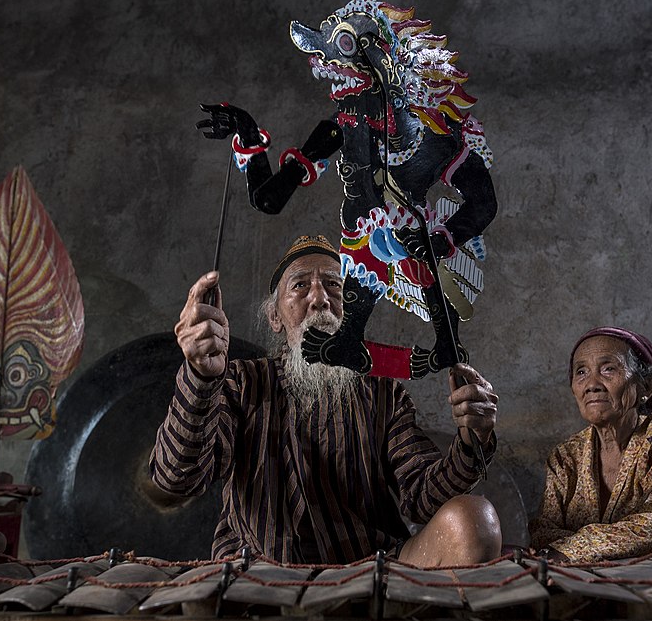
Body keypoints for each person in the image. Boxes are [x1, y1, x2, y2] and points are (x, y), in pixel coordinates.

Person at [150, 235, 502, 566]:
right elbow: (176, 478)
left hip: (373, 572)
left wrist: (473, 439)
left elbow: (424, 499)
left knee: (475, 521)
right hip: (261, 575)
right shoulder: (240, 382)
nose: (319, 298)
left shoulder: (384, 394)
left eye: (334, 285)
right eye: (300, 285)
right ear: (275, 317)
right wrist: (201, 376)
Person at [529, 326, 652, 563]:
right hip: (588, 581)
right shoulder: (565, 456)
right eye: (581, 372)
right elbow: (543, 530)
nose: (592, 384)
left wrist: (572, 550)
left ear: (647, 386)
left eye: (609, 369)